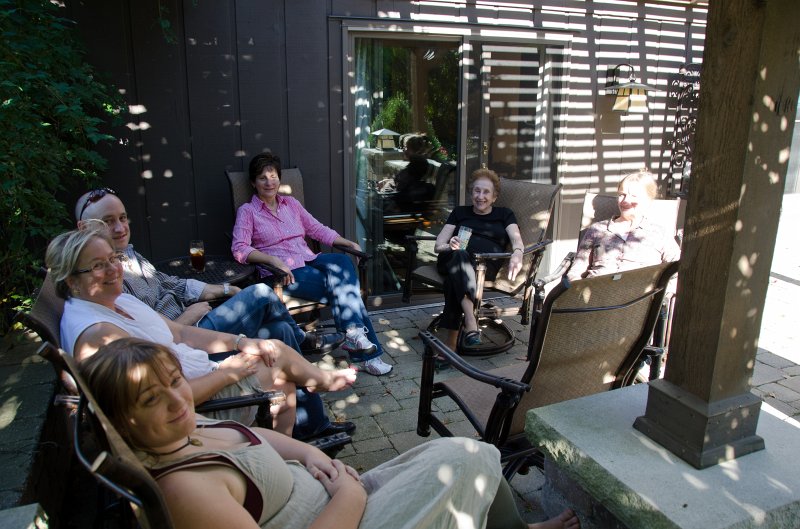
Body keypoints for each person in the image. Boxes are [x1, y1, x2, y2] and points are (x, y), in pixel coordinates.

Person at [79, 338, 581, 529]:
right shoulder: (183, 488)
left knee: (463, 453)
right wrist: (348, 493)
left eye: (175, 382)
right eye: (151, 399)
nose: (177, 400)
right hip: (343, 513)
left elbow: (257, 440)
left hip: (334, 495)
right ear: (122, 420)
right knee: (467, 461)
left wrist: (308, 455)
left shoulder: (183, 429)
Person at [75, 187, 352, 440]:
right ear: (84, 228)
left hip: (191, 326)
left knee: (278, 331)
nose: (120, 227)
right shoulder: (110, 285)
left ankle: (311, 425)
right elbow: (155, 339)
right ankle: (305, 343)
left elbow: (173, 284)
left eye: (123, 218)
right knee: (260, 293)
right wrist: (188, 315)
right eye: (108, 221)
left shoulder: (130, 257)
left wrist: (225, 289)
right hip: (190, 333)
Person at [232, 153, 393, 376]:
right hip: (283, 273)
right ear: (253, 183)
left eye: (273, 176)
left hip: (309, 259)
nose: (269, 182)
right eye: (262, 178)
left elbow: (316, 229)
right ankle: (365, 351)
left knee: (341, 260)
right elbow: (239, 248)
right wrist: (272, 259)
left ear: (279, 178)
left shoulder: (291, 204)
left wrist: (348, 242)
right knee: (348, 291)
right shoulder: (248, 212)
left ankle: (354, 334)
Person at [433, 168, 524, 352]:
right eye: (476, 190)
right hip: (453, 258)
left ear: (494, 197)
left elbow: (517, 241)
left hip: (484, 267)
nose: (480, 196)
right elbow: (438, 246)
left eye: (486, 192)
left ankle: (451, 345)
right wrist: (450, 244)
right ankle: (470, 320)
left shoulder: (505, 214)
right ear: (471, 192)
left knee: (454, 280)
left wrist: (518, 253)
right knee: (459, 255)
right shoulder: (459, 212)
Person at [568, 169, 681, 280]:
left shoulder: (659, 234)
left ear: (648, 200)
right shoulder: (597, 229)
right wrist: (577, 288)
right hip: (595, 290)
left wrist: (663, 290)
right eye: (622, 195)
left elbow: (677, 269)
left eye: (634, 196)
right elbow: (576, 270)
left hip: (639, 291)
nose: (626, 201)